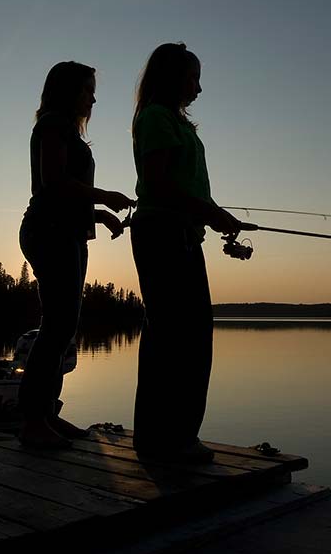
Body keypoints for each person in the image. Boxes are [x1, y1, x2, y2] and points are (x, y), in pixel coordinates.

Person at [129, 42, 246, 462]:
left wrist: (212, 215)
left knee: (181, 337)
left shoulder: (174, 123)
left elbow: (181, 187)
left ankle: (166, 437)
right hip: (163, 233)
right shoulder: (157, 118)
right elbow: (158, 184)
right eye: (194, 77)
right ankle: (168, 440)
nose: (198, 88)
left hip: (179, 234)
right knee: (180, 338)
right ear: (173, 77)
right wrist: (212, 213)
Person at [18, 61, 135, 449]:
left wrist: (99, 214)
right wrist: (106, 197)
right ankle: (34, 422)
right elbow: (53, 184)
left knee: (63, 327)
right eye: (87, 89)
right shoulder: (52, 125)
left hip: (65, 232)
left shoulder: (64, 130)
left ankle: (47, 414)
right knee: (57, 327)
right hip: (50, 233)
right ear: (67, 91)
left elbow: (68, 193)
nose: (94, 97)